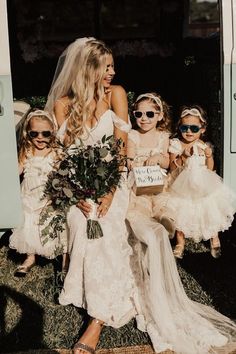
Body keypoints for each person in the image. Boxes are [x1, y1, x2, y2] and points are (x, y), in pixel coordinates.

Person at [45, 38, 138, 354]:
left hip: (114, 181)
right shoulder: (62, 103)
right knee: (82, 219)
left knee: (101, 223)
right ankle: (92, 298)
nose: (112, 72)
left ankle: (96, 319)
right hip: (78, 186)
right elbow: (64, 155)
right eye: (106, 67)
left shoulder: (117, 96)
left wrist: (109, 193)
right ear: (88, 69)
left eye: (113, 66)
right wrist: (77, 193)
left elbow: (121, 150)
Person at [126, 95, 236, 354]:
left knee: (168, 202)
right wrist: (140, 161)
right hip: (138, 183)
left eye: (150, 114)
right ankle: (170, 230)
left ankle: (171, 223)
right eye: (139, 114)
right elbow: (130, 160)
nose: (144, 119)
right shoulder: (132, 135)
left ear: (160, 116)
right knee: (143, 207)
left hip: (159, 183)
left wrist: (161, 159)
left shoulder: (165, 138)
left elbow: (167, 162)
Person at [154, 105, 235, 259]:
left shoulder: (203, 145)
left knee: (209, 208)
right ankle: (180, 242)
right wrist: (183, 156)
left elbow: (210, 169)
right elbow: (172, 168)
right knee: (181, 212)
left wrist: (209, 156)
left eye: (194, 128)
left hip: (202, 183)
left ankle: (214, 237)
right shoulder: (176, 144)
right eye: (185, 127)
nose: (189, 132)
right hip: (181, 184)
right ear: (179, 127)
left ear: (202, 129)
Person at [9, 110, 68, 277]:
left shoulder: (56, 153)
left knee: (55, 222)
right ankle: (30, 256)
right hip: (29, 197)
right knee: (28, 223)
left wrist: (57, 194)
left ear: (53, 132)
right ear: (29, 133)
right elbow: (16, 171)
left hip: (49, 199)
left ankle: (62, 261)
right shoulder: (27, 151)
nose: (40, 138)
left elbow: (63, 177)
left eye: (45, 133)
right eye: (35, 133)